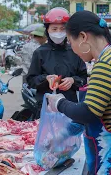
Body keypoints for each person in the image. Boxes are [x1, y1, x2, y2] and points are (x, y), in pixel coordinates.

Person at [46, 10, 111, 175]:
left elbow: (89, 112)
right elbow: (100, 107)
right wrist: (64, 134)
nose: (72, 48)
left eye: (70, 41)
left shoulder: (105, 64)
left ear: (83, 37)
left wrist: (59, 103)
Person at [26, 7, 87, 106]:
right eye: (54, 29)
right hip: (45, 104)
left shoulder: (75, 51)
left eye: (62, 29)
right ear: (47, 30)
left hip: (70, 105)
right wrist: (46, 79)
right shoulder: (40, 52)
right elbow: (31, 80)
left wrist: (73, 80)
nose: (58, 32)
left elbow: (83, 77)